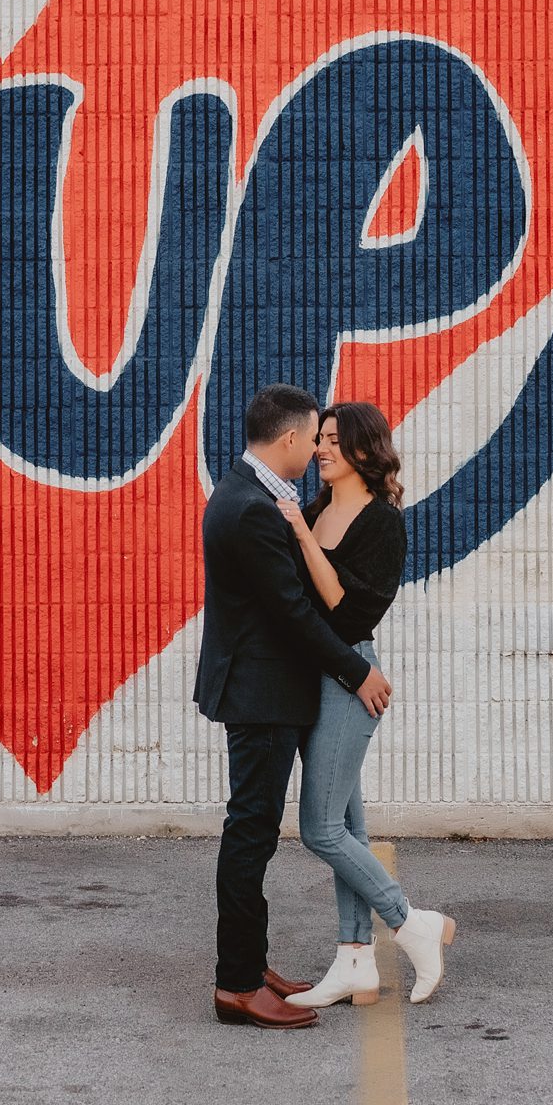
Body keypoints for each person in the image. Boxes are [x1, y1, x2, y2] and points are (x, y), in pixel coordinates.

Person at [197, 384, 394, 1029]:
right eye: (314, 438)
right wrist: (356, 668)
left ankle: (251, 968)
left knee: (256, 831)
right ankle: (236, 984)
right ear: (288, 439)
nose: (316, 450)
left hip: (267, 689)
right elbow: (290, 610)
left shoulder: (257, 497)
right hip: (261, 693)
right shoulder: (253, 507)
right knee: (251, 832)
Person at [276, 402, 455, 1008]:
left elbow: (350, 612)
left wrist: (300, 534)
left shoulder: (381, 521)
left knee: (320, 828)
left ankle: (411, 923)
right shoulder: (319, 509)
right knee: (347, 825)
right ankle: (355, 960)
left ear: (361, 449)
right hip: (315, 675)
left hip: (351, 677)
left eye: (331, 439)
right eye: (319, 438)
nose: (319, 448)